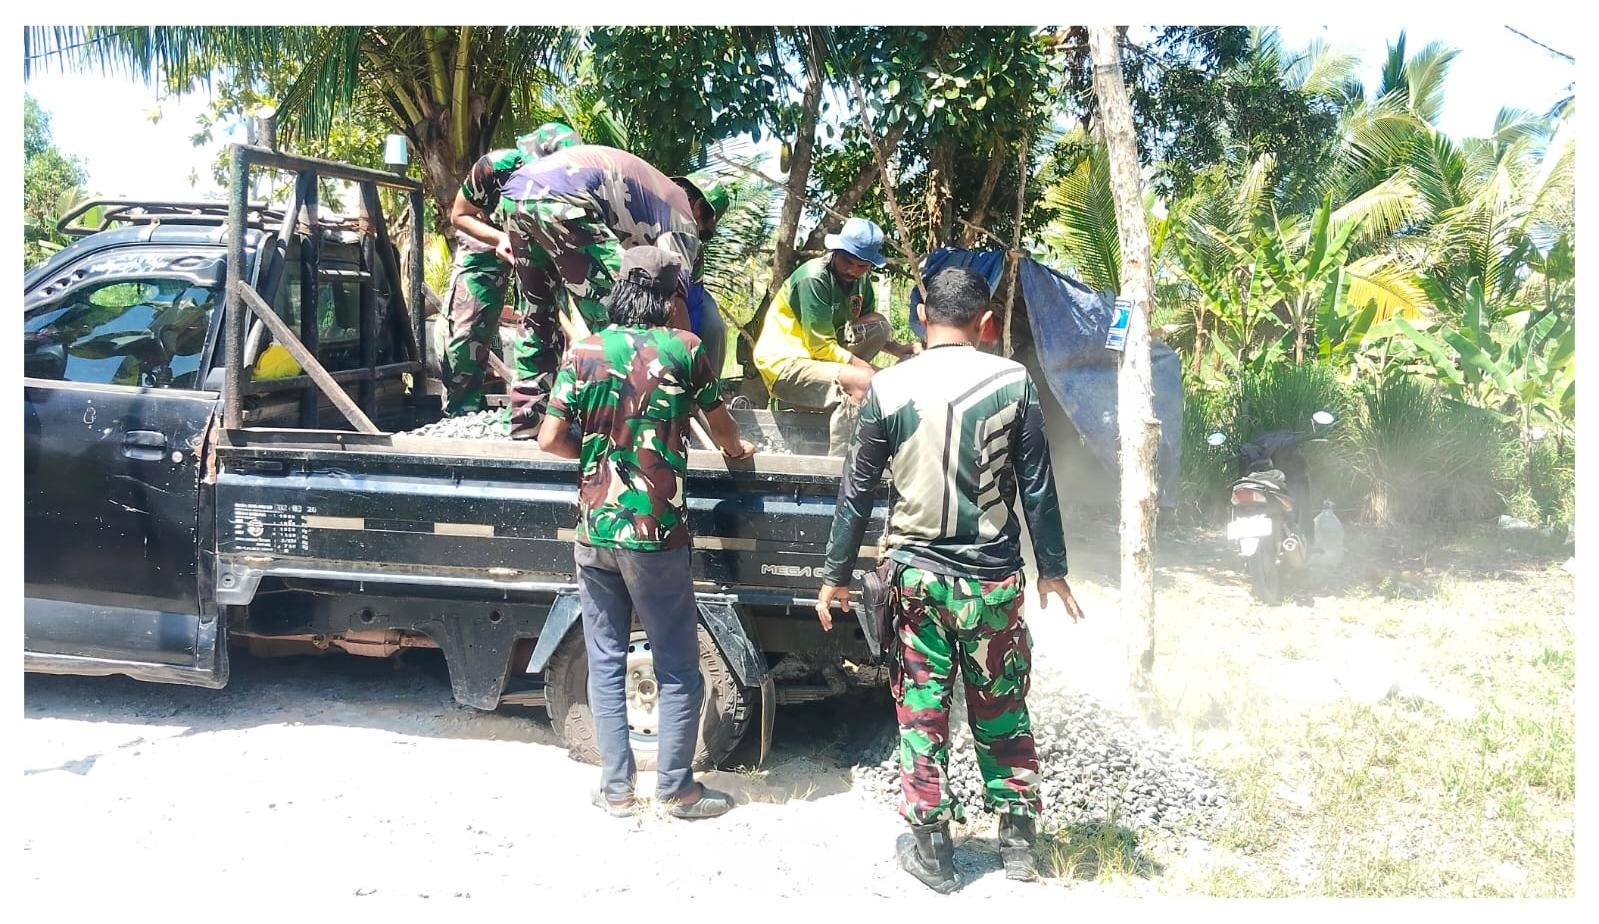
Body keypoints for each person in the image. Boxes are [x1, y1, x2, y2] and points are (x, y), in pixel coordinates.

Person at [813, 267, 1086, 892]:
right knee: (1002, 705)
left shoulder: (888, 387)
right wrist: (1053, 571)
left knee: (923, 711)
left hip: (917, 583)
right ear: (986, 324)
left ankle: (934, 852)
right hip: (992, 584)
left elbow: (857, 491)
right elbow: (1037, 485)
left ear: (920, 316)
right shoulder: (1013, 382)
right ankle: (1019, 844)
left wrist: (834, 576)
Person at [537, 245, 756, 820]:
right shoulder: (684, 349)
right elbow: (721, 425)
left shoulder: (585, 351)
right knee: (678, 664)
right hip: (657, 534)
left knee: (606, 659)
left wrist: (595, 460)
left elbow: (549, 438)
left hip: (595, 532)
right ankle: (677, 790)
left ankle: (617, 791)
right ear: (670, 297)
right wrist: (737, 451)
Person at [497, 146, 720, 429]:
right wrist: (685, 371)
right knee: (619, 313)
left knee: (537, 313)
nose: (700, 241)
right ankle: (615, 418)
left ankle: (528, 418)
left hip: (516, 195)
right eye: (705, 233)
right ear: (699, 209)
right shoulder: (682, 221)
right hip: (564, 202)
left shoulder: (649, 195)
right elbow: (672, 301)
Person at [444, 122, 583, 425]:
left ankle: (538, 412)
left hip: (539, 240)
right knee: (467, 328)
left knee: (542, 325)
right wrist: (499, 239)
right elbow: (459, 215)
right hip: (485, 238)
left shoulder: (574, 180)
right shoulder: (494, 168)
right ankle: (461, 414)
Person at [752, 216, 915, 456]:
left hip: (821, 355)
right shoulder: (813, 278)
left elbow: (865, 323)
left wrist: (899, 349)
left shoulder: (861, 281)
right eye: (848, 262)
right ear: (836, 251)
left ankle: (845, 394)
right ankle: (839, 466)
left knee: (878, 325)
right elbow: (821, 347)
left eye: (862, 266)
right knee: (864, 383)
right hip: (786, 365)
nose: (853, 270)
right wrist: (877, 374)